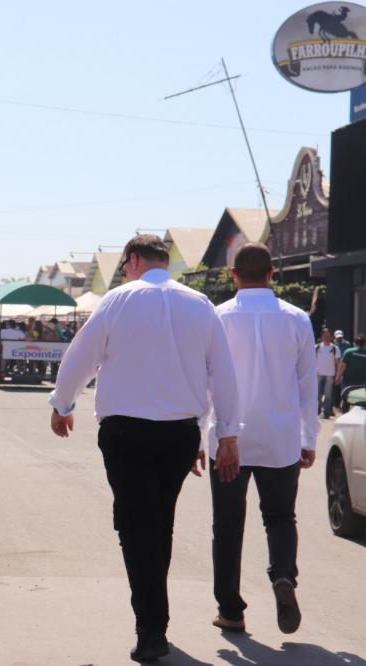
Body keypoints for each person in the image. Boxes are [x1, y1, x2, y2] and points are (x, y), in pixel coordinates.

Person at [48, 234, 240, 663]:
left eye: (126, 264)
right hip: (180, 434)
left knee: (136, 528)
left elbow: (81, 357)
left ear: (133, 260)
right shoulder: (200, 304)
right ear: (165, 261)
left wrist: (63, 405)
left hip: (125, 433)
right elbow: (222, 374)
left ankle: (151, 628)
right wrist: (223, 433)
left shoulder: (118, 300)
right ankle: (154, 620)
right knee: (158, 523)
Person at [206, 243, 317, 637]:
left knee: (228, 523)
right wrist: (310, 437)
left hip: (228, 439)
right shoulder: (297, 319)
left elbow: (208, 383)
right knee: (281, 517)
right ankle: (283, 576)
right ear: (272, 273)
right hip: (281, 436)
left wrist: (203, 436)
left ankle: (231, 610)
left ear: (233, 275)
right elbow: (307, 386)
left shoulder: (217, 317)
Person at [336, 333, 366, 410]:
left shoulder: (348, 352)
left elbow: (342, 366)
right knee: (361, 403)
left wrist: (338, 377)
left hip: (348, 382)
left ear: (354, 343)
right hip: (362, 383)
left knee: (346, 401)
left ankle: (345, 418)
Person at [316, 329, 339, 419]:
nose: (327, 338)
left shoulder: (334, 348)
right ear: (322, 337)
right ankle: (317, 411)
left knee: (328, 394)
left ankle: (327, 412)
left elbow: (337, 362)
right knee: (317, 394)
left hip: (330, 374)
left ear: (331, 337)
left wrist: (338, 375)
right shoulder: (316, 347)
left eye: (329, 336)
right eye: (325, 336)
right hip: (318, 373)